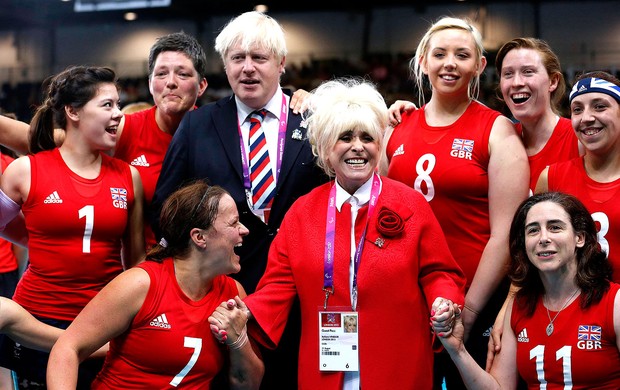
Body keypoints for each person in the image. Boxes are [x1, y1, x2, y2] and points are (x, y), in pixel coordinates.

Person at [221, 77, 466, 389]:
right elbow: (278, 286)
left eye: (368, 137)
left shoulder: (410, 203)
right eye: (345, 137)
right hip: (326, 364)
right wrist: (246, 312)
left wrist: (443, 300)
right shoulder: (302, 212)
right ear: (325, 148)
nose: (358, 147)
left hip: (398, 360)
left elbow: (439, 272)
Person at [0, 32, 309, 250]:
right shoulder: (124, 130)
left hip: (212, 267)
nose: (170, 82)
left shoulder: (224, 129)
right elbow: (41, 139)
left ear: (202, 85)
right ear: (149, 83)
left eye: (182, 74)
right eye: (161, 73)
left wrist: (308, 101)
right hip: (141, 266)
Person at [151, 11, 329, 389]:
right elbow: (166, 207)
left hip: (303, 289)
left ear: (281, 64)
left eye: (259, 58)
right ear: (225, 65)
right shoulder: (198, 124)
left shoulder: (316, 120)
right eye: (237, 58)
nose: (248, 68)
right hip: (221, 290)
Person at [381, 16, 530, 388]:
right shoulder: (395, 127)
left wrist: (470, 309)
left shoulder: (497, 129)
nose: (450, 63)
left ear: (478, 65)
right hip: (405, 299)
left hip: (473, 298)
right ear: (422, 63)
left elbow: (505, 234)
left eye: (462, 55)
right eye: (440, 54)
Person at [0, 65, 145, 388]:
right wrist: (33, 239)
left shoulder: (127, 176)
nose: (118, 114)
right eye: (107, 105)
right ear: (73, 111)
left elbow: (136, 264)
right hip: (36, 318)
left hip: (103, 321)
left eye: (118, 104)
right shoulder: (25, 171)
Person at [47, 180, 263, 390]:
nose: (244, 230)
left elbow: (248, 384)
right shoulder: (141, 284)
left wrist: (239, 341)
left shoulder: (233, 294)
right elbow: (67, 348)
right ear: (199, 237)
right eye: (234, 223)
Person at [432, 191, 620, 389]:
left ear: (579, 238)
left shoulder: (614, 303)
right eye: (533, 231)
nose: (543, 238)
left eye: (555, 227)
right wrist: (458, 350)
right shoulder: (519, 305)